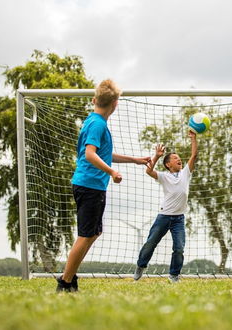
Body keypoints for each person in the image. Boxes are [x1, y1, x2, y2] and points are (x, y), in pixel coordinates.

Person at [56, 79, 151, 292]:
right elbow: (90, 154)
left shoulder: (94, 121)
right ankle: (65, 282)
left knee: (93, 233)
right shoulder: (98, 124)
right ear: (115, 104)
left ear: (94, 100)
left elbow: (104, 154)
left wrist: (135, 160)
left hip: (91, 186)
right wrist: (111, 171)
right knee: (85, 234)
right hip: (89, 185)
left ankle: (69, 278)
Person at [134, 131, 198, 283]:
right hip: (164, 217)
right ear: (168, 164)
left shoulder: (185, 173)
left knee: (179, 247)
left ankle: (174, 275)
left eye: (179, 158)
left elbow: (193, 156)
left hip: (179, 219)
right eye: (175, 158)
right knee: (151, 243)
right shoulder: (164, 176)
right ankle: (140, 266)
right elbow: (149, 170)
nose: (179, 160)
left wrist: (194, 139)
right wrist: (157, 155)